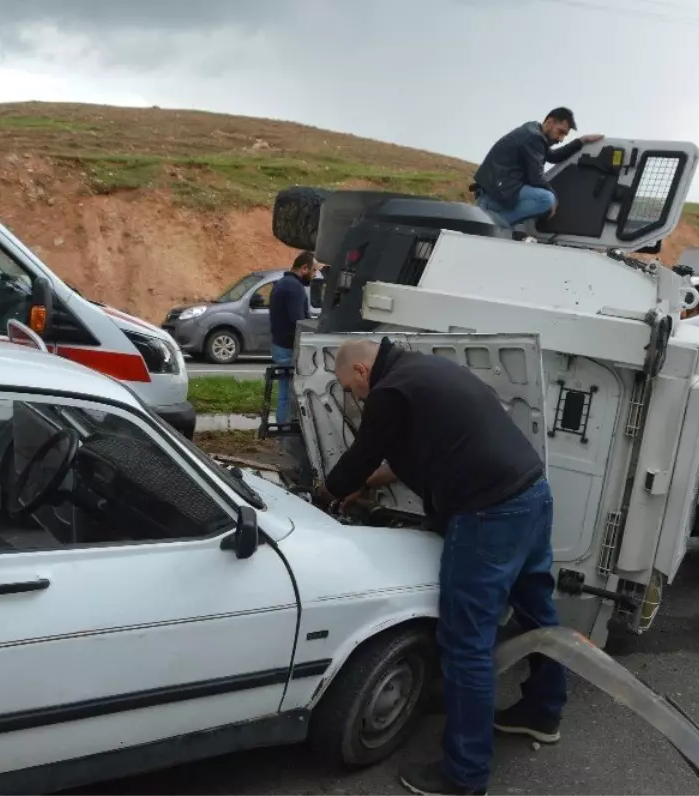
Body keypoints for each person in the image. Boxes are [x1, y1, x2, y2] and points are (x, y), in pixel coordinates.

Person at [317, 337, 566, 796]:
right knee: (538, 614)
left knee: (466, 643)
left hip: (488, 513)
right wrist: (367, 483)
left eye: (349, 389)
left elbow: (362, 455)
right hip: (530, 495)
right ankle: (542, 712)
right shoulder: (423, 371)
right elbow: (421, 446)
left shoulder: (389, 391)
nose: (355, 398)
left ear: (359, 373)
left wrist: (328, 492)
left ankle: (464, 776)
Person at [471, 107, 604, 228]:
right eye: (560, 132)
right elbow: (536, 177)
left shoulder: (533, 132)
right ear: (550, 122)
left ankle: (499, 224)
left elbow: (553, 156)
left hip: (496, 192)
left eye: (565, 135)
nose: (561, 139)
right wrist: (555, 199)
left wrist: (581, 141)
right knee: (546, 199)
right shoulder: (533, 137)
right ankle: (497, 224)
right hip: (495, 196)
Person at [267, 250, 316, 425]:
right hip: (289, 347)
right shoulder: (295, 287)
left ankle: (282, 435)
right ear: (304, 268)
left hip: (279, 344)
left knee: (284, 394)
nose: (314, 275)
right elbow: (298, 320)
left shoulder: (281, 283)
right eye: (313, 271)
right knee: (289, 396)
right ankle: (285, 436)